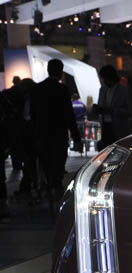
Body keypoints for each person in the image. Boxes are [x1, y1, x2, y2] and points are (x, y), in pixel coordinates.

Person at [29, 59, 81, 213]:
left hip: (42, 135)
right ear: (61, 72)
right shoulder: (62, 89)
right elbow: (69, 115)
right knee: (58, 166)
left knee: (46, 165)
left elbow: (32, 114)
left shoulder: (37, 89)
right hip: (58, 134)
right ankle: (58, 198)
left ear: (48, 70)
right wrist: (76, 137)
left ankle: (49, 192)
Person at [95, 65, 131, 148]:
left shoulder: (123, 90)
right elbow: (101, 104)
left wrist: (112, 110)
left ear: (109, 77)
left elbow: (128, 111)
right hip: (105, 126)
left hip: (118, 128)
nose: (103, 81)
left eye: (104, 78)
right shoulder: (102, 89)